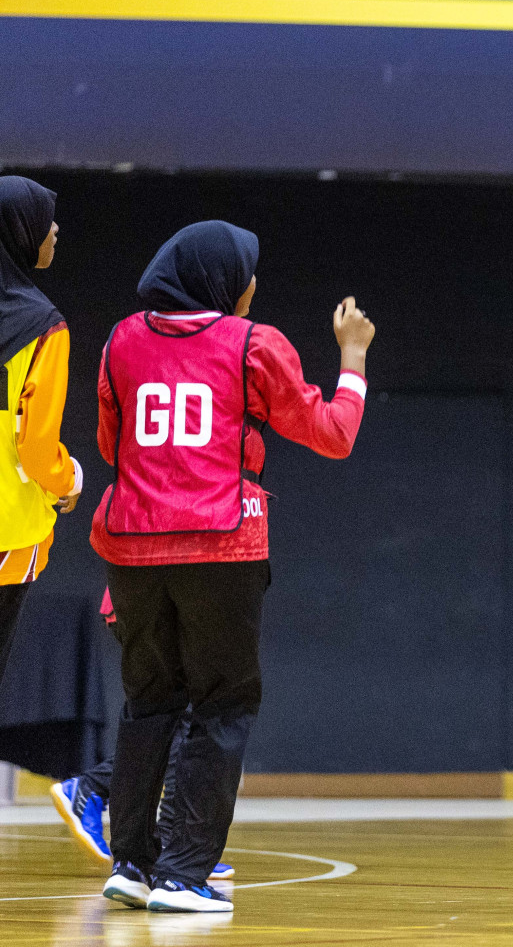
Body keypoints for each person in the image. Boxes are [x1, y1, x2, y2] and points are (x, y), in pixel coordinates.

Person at [92, 221, 374, 913]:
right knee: (222, 706)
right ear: (223, 281)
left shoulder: (121, 339)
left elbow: (110, 446)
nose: (253, 285)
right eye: (248, 273)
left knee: (148, 702)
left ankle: (133, 864)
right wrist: (354, 357)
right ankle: (184, 876)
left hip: (131, 546)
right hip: (221, 546)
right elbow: (333, 436)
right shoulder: (254, 343)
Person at [50, 590, 233, 878]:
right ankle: (169, 843)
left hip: (145, 592)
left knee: (176, 718)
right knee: (183, 717)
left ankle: (98, 792)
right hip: (161, 593)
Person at [0, 176, 82, 682]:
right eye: (43, 218)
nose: (53, 228)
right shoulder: (43, 326)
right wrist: (68, 478)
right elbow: (35, 450)